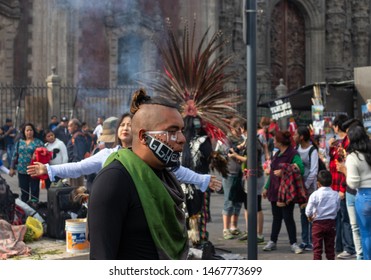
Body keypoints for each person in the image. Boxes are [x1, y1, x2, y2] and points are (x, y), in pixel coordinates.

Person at [88, 90, 188, 260]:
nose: (182, 139)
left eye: (181, 130)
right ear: (143, 136)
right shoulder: (115, 180)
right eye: (172, 131)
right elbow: (101, 258)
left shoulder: (165, 176)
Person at [27, 112, 221, 193]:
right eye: (123, 125)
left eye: (131, 125)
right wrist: (48, 169)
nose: (126, 128)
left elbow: (177, 171)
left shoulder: (147, 155)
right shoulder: (107, 154)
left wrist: (202, 179)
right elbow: (78, 168)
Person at [262, 130, 305, 254]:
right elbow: (272, 173)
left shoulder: (292, 154)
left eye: (275, 140)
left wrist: (284, 171)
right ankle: (272, 241)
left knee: (288, 217)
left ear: (280, 142)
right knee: (276, 217)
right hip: (274, 191)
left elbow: (300, 168)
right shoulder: (277, 154)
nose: (273, 141)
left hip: (287, 192)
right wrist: (266, 187)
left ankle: (293, 243)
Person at [328, 114, 356, 259]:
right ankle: (340, 244)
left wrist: (342, 189)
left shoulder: (348, 143)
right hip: (337, 186)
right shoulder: (341, 143)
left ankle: (349, 248)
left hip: (343, 187)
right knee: (339, 218)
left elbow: (346, 169)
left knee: (347, 219)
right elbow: (334, 162)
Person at [345, 125, 371, 260]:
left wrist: (345, 173)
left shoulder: (352, 157)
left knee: (366, 234)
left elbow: (353, 183)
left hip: (364, 197)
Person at [294, 126, 319, 251]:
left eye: (296, 134)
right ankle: (305, 240)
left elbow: (314, 171)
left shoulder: (312, 150)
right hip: (300, 187)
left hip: (310, 188)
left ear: (302, 137)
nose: (294, 137)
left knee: (311, 213)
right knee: (302, 213)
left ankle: (312, 240)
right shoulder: (296, 149)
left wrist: (306, 186)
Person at [305, 170, 340, 260]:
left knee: (317, 250)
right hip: (331, 223)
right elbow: (337, 208)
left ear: (318, 183)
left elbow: (308, 210)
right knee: (330, 250)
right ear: (331, 182)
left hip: (317, 224)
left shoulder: (315, 194)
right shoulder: (335, 194)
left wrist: (310, 217)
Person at [220, 117, 244, 240]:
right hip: (229, 173)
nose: (241, 130)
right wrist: (241, 146)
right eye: (238, 128)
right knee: (228, 201)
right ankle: (226, 228)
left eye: (242, 128)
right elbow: (229, 152)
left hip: (241, 173)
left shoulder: (242, 139)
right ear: (233, 128)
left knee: (238, 201)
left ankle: (234, 227)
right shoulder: (227, 139)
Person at [9, 123, 44, 202]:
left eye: (31, 130)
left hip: (34, 170)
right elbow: (14, 155)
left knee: (34, 191)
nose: (29, 132)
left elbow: (45, 154)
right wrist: (11, 168)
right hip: (22, 170)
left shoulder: (38, 142)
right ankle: (25, 209)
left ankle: (34, 208)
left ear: (33, 131)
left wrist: (38, 156)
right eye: (27, 130)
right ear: (24, 132)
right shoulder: (20, 142)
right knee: (24, 191)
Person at [66, 118, 91, 187]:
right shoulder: (75, 136)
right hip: (73, 167)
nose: (68, 128)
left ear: (76, 126)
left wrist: (74, 168)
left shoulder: (78, 137)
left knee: (76, 189)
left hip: (75, 168)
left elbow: (79, 154)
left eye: (70, 126)